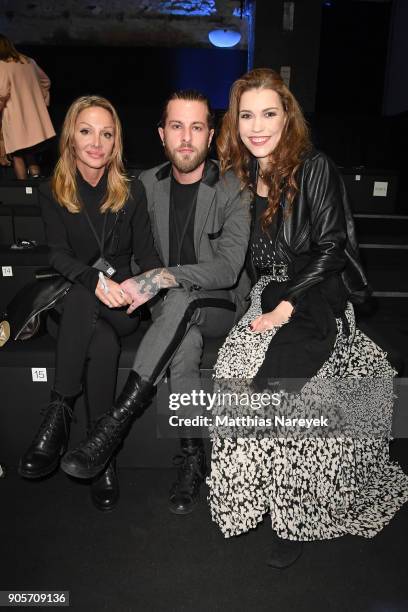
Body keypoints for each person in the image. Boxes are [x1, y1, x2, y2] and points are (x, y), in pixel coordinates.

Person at [206, 68, 408, 568]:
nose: (257, 126)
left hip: (315, 289)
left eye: (268, 114)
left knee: (291, 385)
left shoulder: (314, 166)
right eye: (246, 115)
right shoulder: (243, 173)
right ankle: (254, 493)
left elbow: (331, 249)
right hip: (269, 290)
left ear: (287, 116)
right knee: (235, 368)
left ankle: (294, 515)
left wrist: (284, 307)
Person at [60, 89, 251, 515]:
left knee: (182, 297)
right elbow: (119, 246)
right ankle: (192, 456)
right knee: (183, 344)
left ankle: (113, 425)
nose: (186, 138)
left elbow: (227, 269)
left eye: (197, 127)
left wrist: (165, 275)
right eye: (177, 127)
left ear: (211, 134)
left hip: (221, 305)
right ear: (162, 134)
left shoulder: (234, 189)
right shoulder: (144, 185)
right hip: (169, 313)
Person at [19, 95, 162, 512]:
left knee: (98, 315)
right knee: (96, 333)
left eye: (106, 133)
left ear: (116, 141)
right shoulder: (52, 191)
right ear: (71, 138)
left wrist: (144, 286)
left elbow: (150, 258)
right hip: (76, 302)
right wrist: (93, 278)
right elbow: (57, 255)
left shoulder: (131, 192)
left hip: (121, 308)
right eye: (86, 131)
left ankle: (59, 412)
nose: (96, 142)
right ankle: (102, 457)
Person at [0, 33, 55, 179]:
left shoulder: (1, 65)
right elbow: (46, 82)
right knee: (30, 152)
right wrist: (39, 102)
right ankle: (35, 187)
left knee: (17, 156)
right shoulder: (28, 61)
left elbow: (2, 92)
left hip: (14, 117)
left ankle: (24, 193)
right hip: (33, 118)